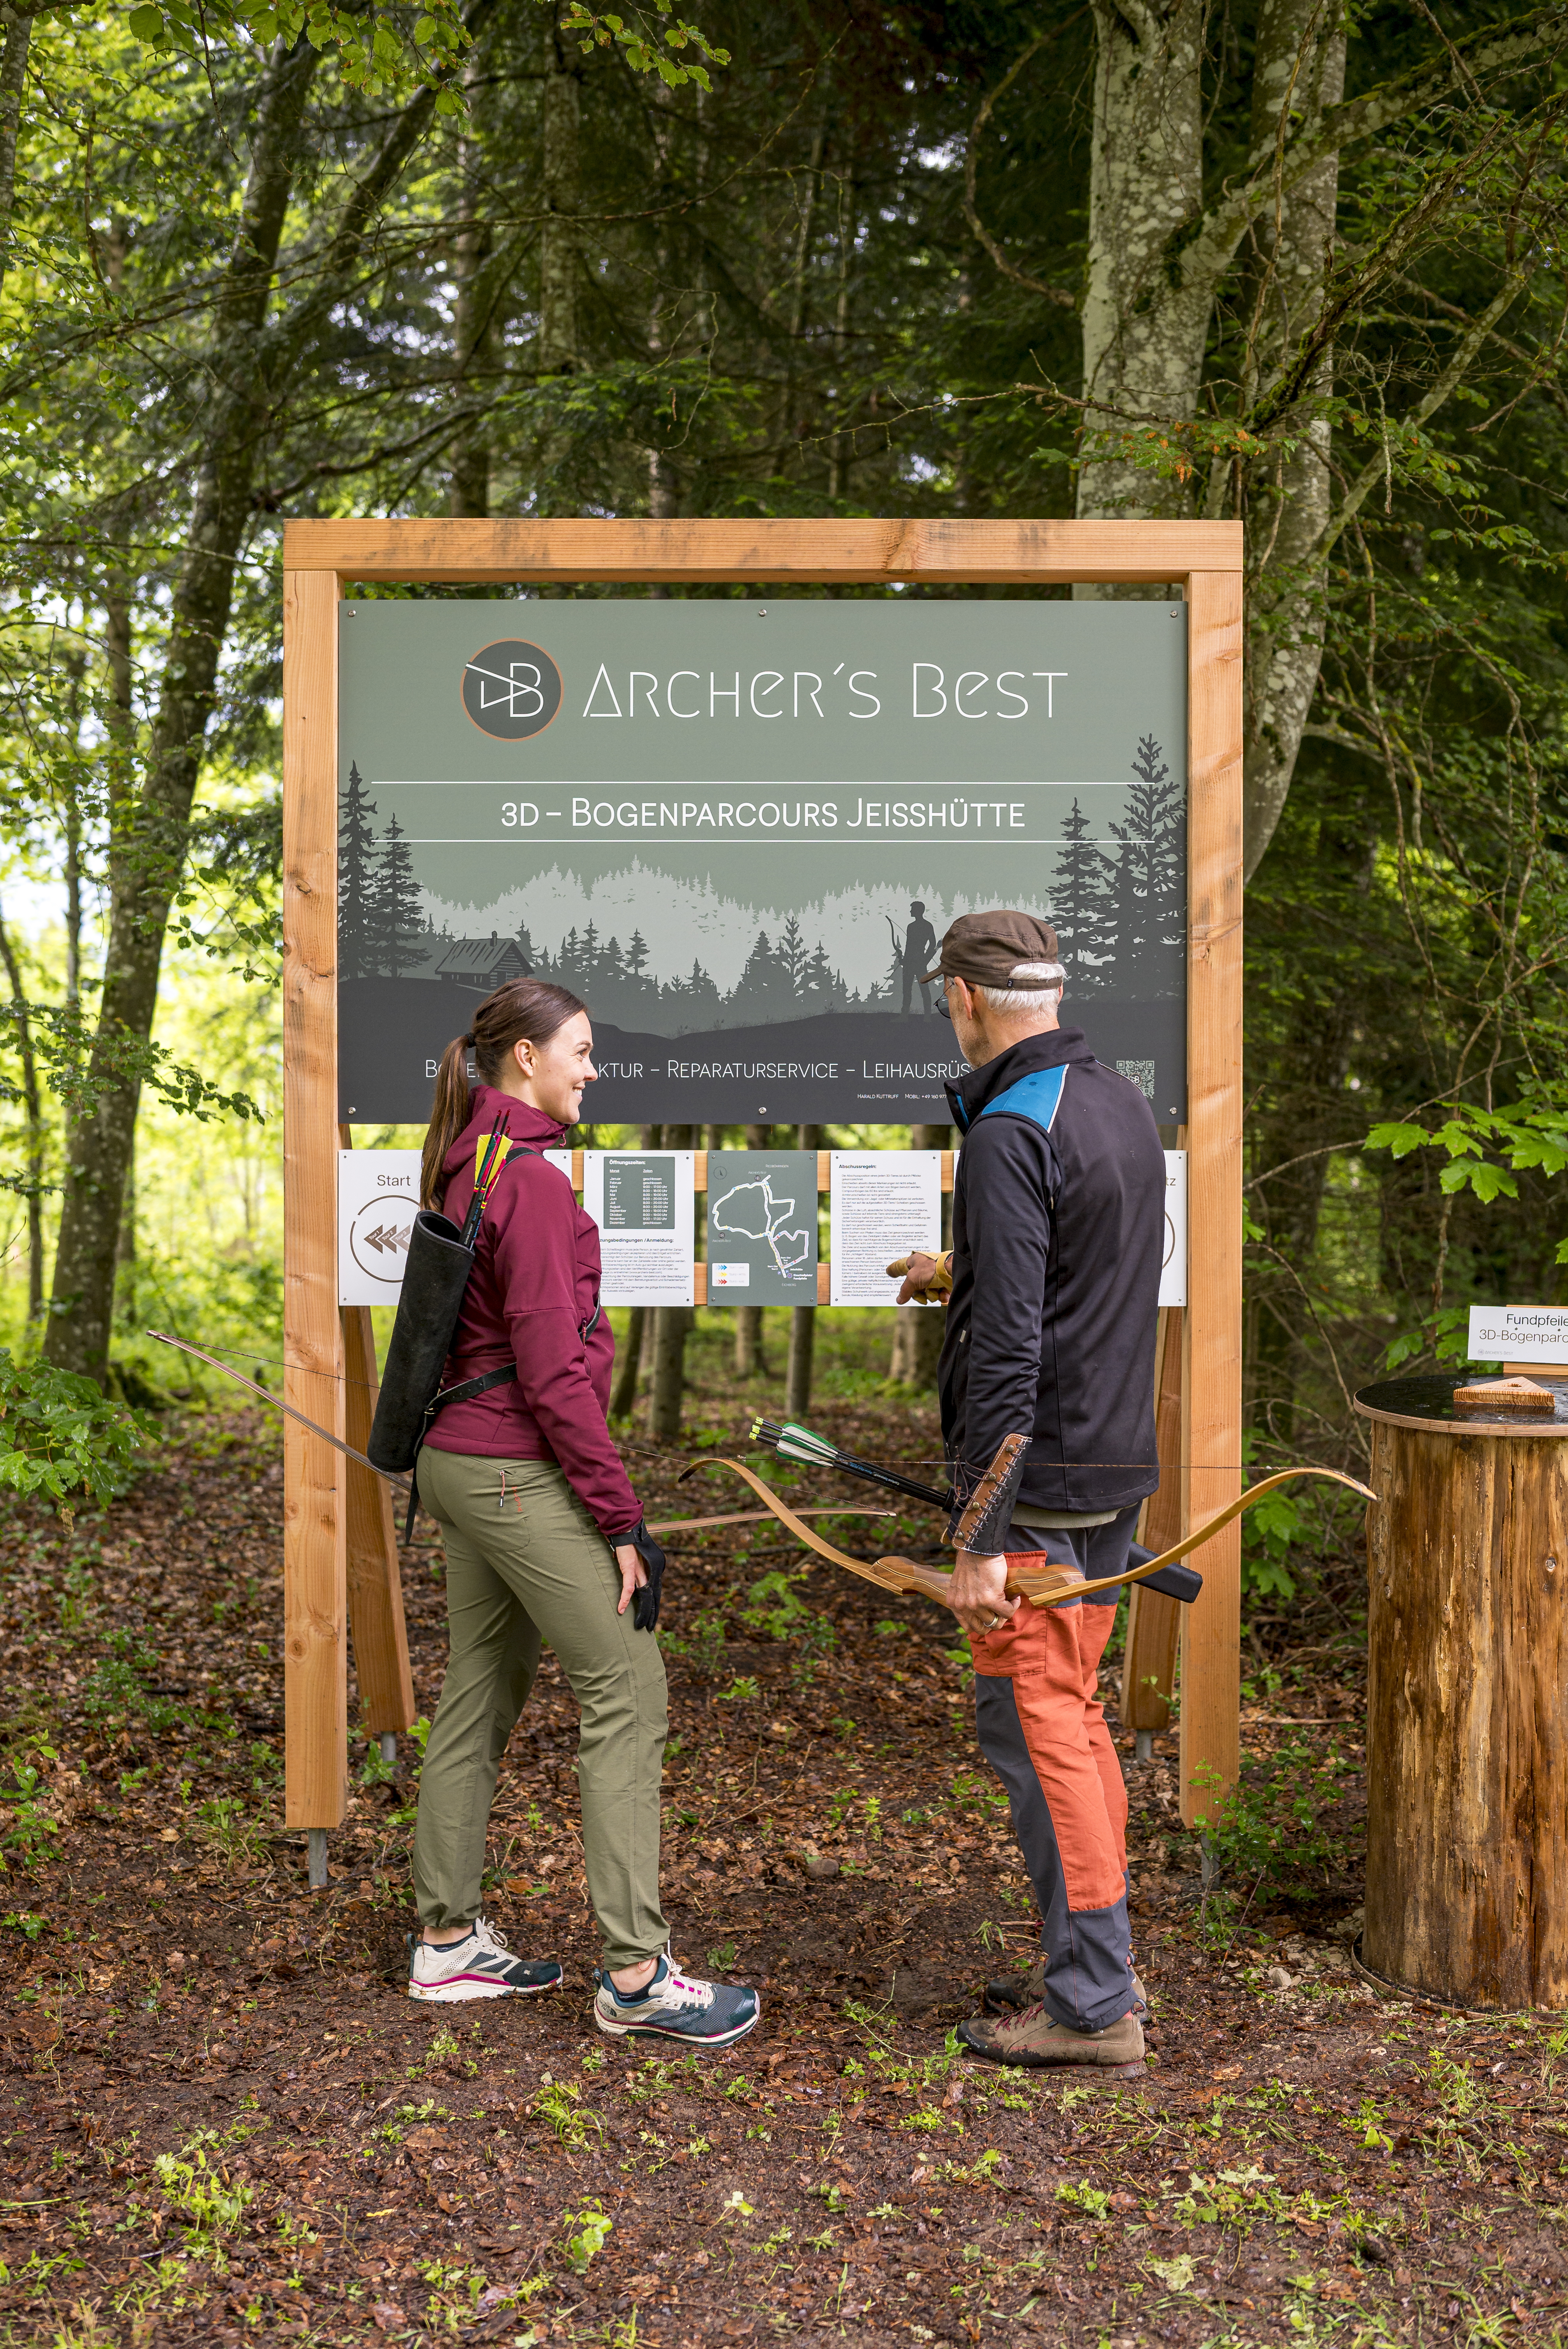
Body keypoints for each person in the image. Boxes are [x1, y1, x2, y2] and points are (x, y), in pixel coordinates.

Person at [404, 975, 759, 2049]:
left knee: (481, 1682)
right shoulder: (533, 1185)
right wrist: (618, 1516)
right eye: (583, 1050)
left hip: (457, 1467)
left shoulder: (470, 1158)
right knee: (626, 1682)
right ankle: (639, 1973)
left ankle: (448, 1941)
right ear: (527, 1058)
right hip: (510, 1469)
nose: (594, 1068)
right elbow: (556, 1376)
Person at [895, 911, 1163, 2072]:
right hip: (1109, 1463)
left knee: (1040, 1720)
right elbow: (1072, 1265)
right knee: (1077, 1711)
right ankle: (1093, 1957)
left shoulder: (1009, 1128)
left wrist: (980, 1531)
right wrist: (950, 1265)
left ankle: (1095, 2002)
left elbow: (1011, 1342)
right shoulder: (1115, 1101)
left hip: (1044, 1480)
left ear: (963, 996)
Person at [898, 902, 939, 1015]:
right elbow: (909, 946)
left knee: (923, 990)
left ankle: (927, 1016)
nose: (911, 912)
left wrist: (924, 960)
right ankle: (906, 1016)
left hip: (918, 963)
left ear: (918, 911)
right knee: (907, 991)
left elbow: (933, 945)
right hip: (912, 963)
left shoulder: (926, 926)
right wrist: (905, 960)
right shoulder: (911, 927)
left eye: (912, 910)